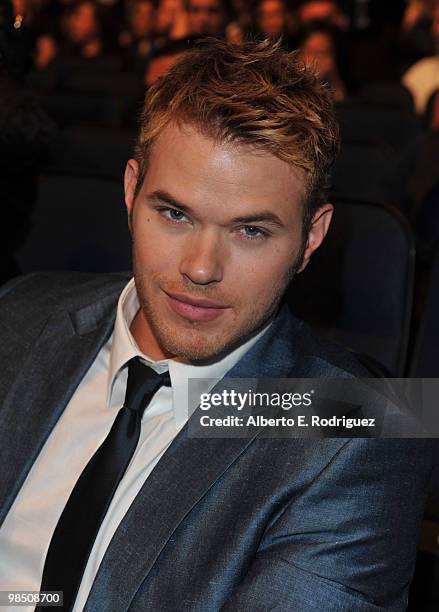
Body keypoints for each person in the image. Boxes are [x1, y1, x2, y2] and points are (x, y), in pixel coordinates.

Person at [0, 39, 433, 611]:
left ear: (311, 237)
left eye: (251, 230)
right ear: (131, 192)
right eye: (174, 214)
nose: (201, 268)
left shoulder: (362, 427)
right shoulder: (21, 311)